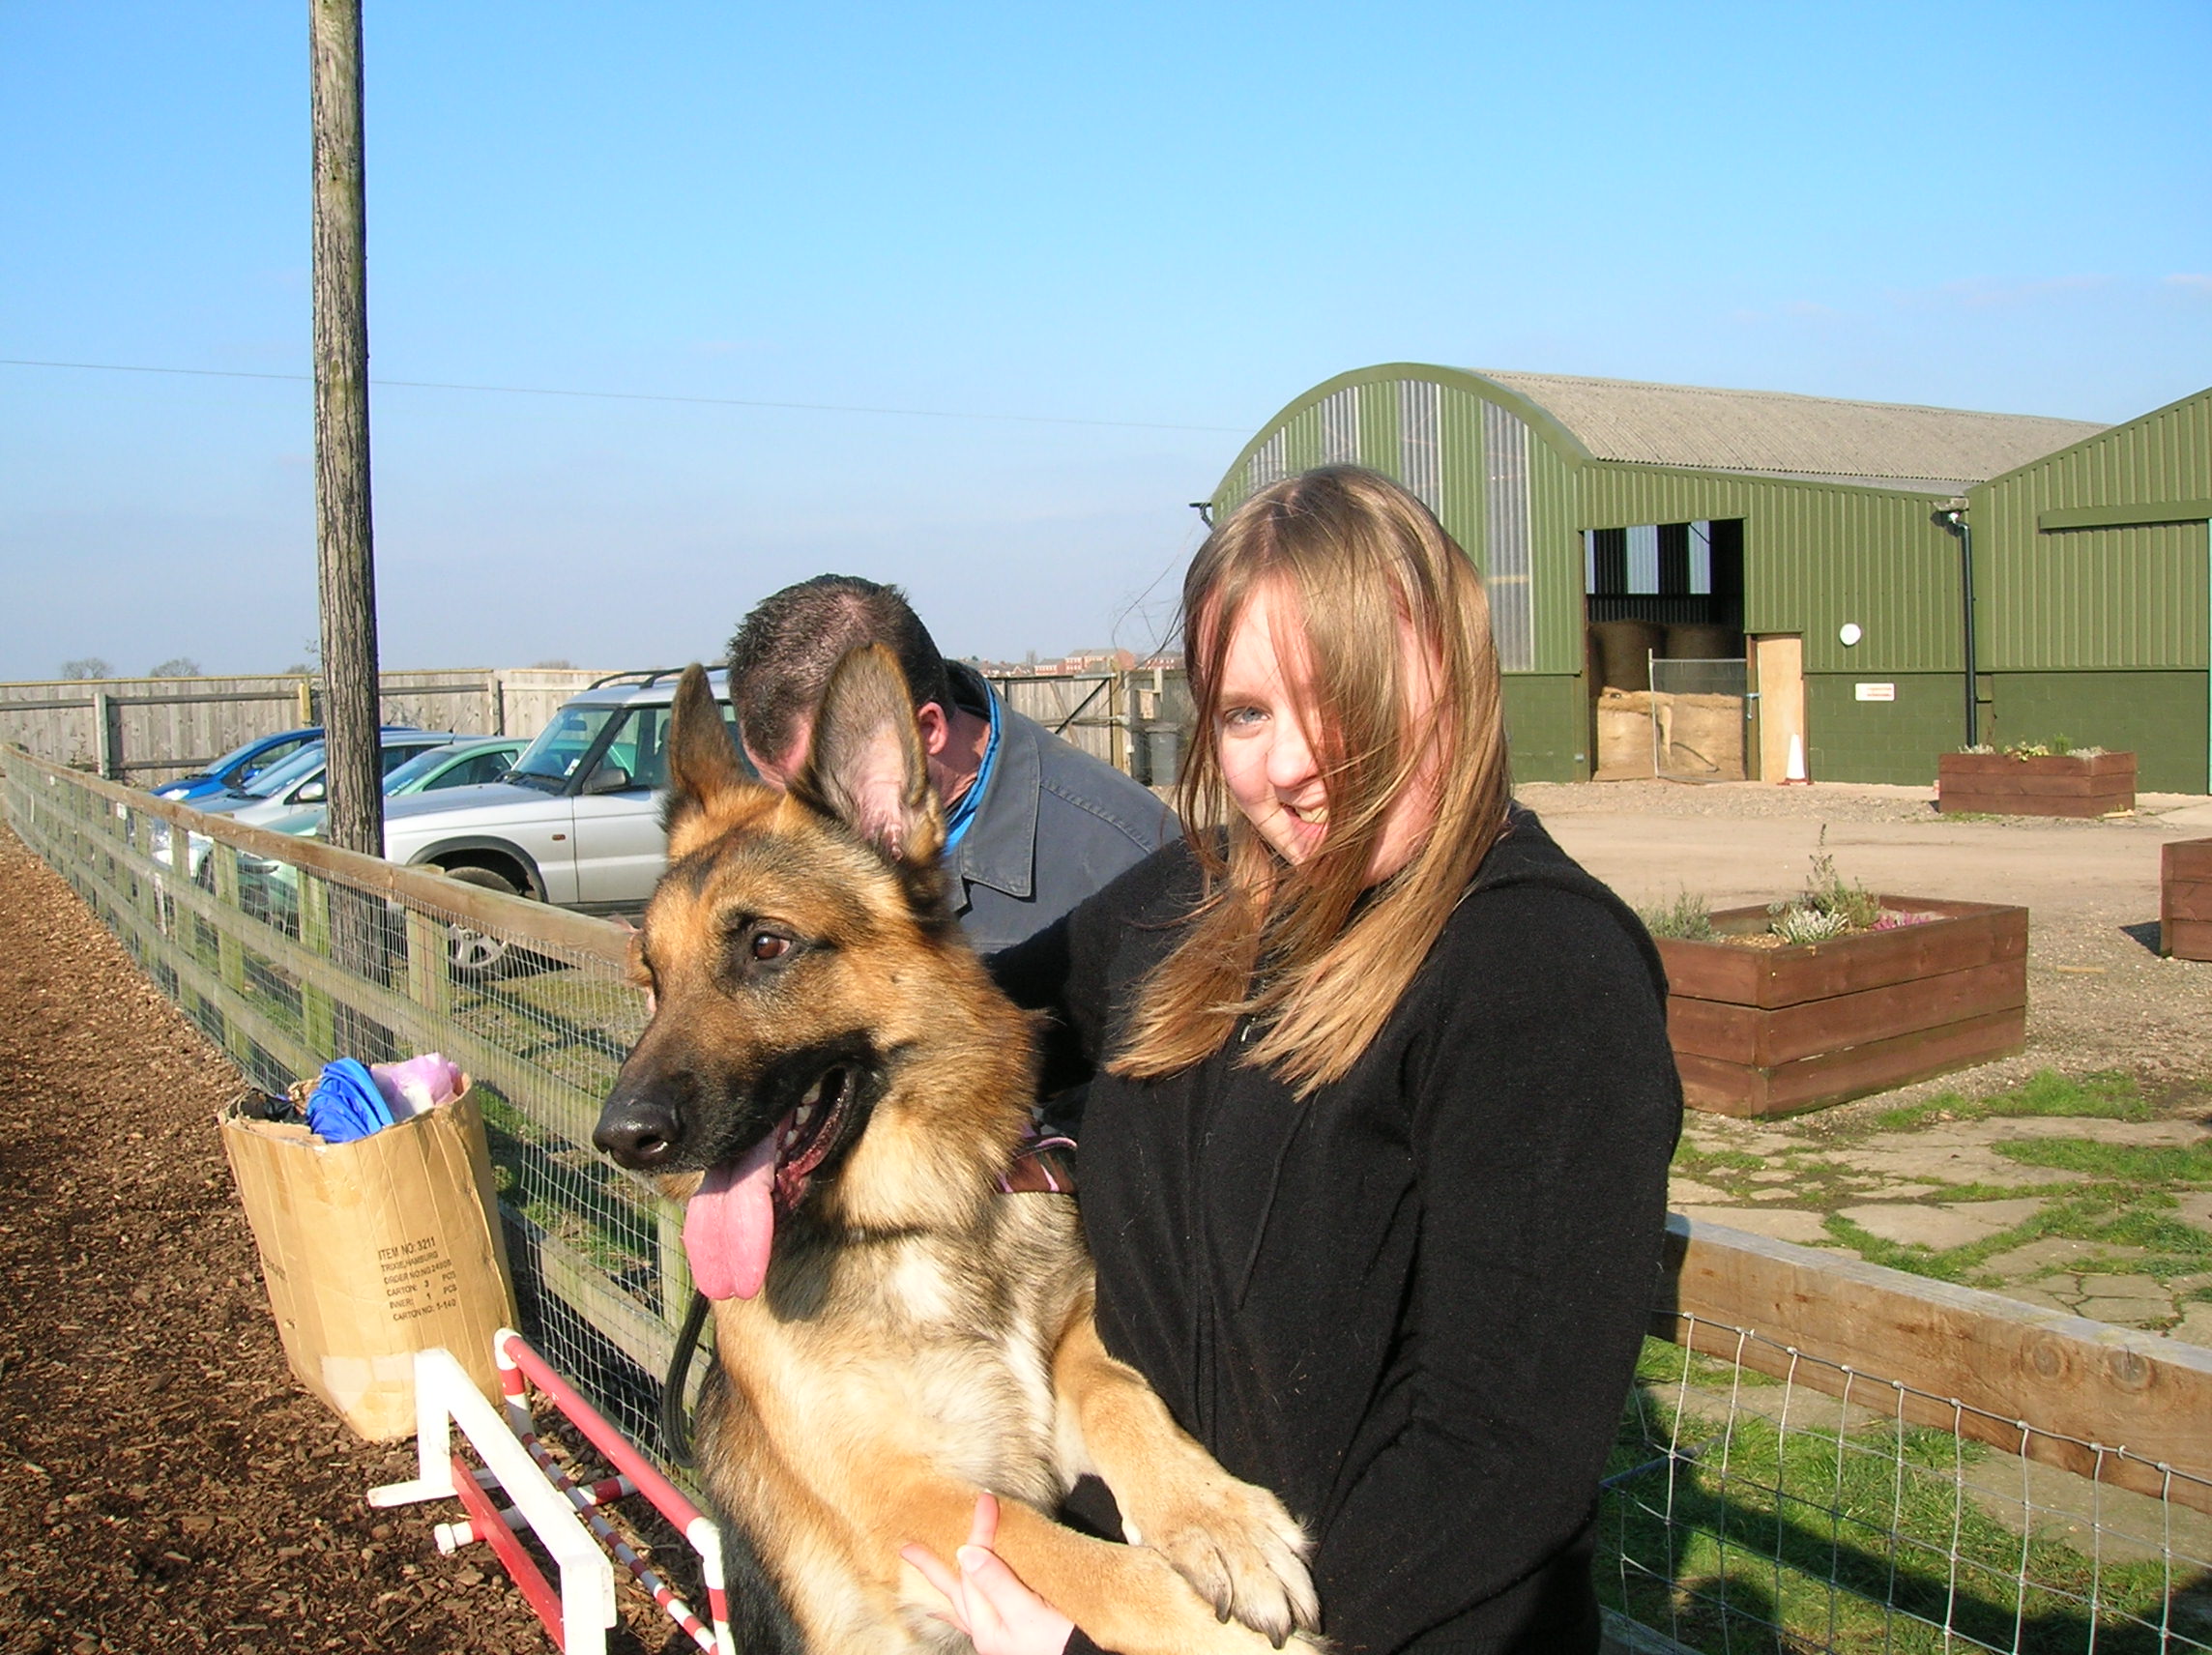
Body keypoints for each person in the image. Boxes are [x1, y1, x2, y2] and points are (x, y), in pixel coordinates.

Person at [903, 466, 1683, 1654]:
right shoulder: (1193, 900)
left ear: (1454, 668)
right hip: (1146, 1599)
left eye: (1344, 692)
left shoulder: (1539, 969)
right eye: (1246, 713)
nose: (1292, 766)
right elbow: (977, 1022)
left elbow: (1492, 1461)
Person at [726, 575, 1175, 954]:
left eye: (824, 795)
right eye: (778, 793)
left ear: (925, 731)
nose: (798, 824)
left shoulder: (1131, 864)